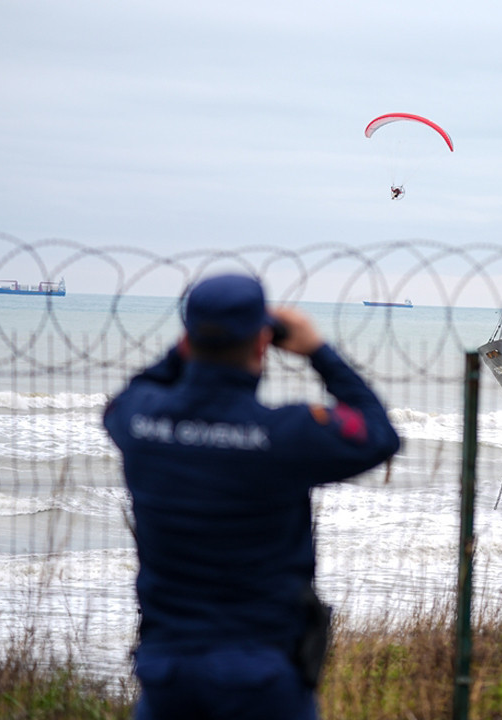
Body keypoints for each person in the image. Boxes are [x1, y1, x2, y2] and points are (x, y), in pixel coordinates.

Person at [103, 273, 401, 719]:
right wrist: (319, 352)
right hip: (262, 677)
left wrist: (193, 342)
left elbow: (132, 392)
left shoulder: (139, 423)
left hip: (168, 673)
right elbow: (378, 434)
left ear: (186, 338)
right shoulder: (285, 435)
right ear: (263, 343)